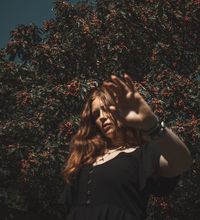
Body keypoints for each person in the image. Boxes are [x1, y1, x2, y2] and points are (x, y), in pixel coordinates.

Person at [59, 74, 192, 220]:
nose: (102, 117)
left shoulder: (142, 155)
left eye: (107, 109)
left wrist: (151, 123)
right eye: (96, 114)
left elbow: (182, 162)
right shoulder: (82, 160)